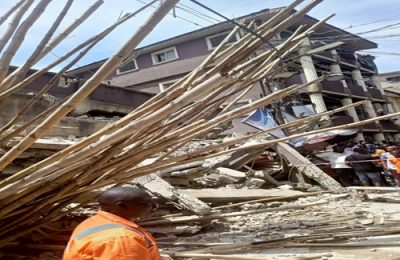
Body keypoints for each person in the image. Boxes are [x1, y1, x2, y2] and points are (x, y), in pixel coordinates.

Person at [63, 187, 160, 260]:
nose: (154, 206)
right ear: (122, 206)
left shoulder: (95, 221)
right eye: (146, 203)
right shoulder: (122, 239)